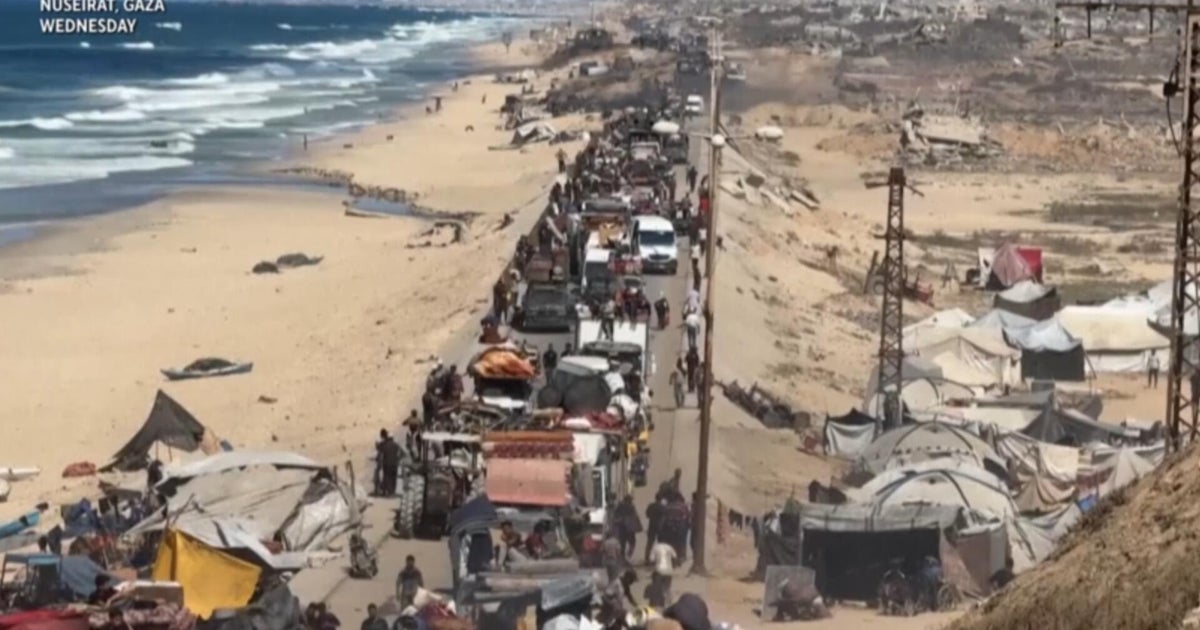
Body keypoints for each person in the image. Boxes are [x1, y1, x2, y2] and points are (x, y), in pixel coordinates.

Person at [648, 540, 678, 608]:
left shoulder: (655, 547)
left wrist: (653, 566)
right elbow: (675, 557)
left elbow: (651, 560)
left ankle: (657, 603)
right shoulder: (670, 547)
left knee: (657, 587)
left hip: (659, 570)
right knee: (667, 588)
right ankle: (668, 603)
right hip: (669, 571)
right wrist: (673, 566)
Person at [378, 431, 401, 496]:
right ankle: (392, 491)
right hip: (394, 464)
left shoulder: (384, 445)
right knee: (393, 477)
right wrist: (398, 459)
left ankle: (387, 491)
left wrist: (380, 462)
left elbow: (380, 454)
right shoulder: (396, 445)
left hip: (386, 464)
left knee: (387, 477)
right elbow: (402, 453)